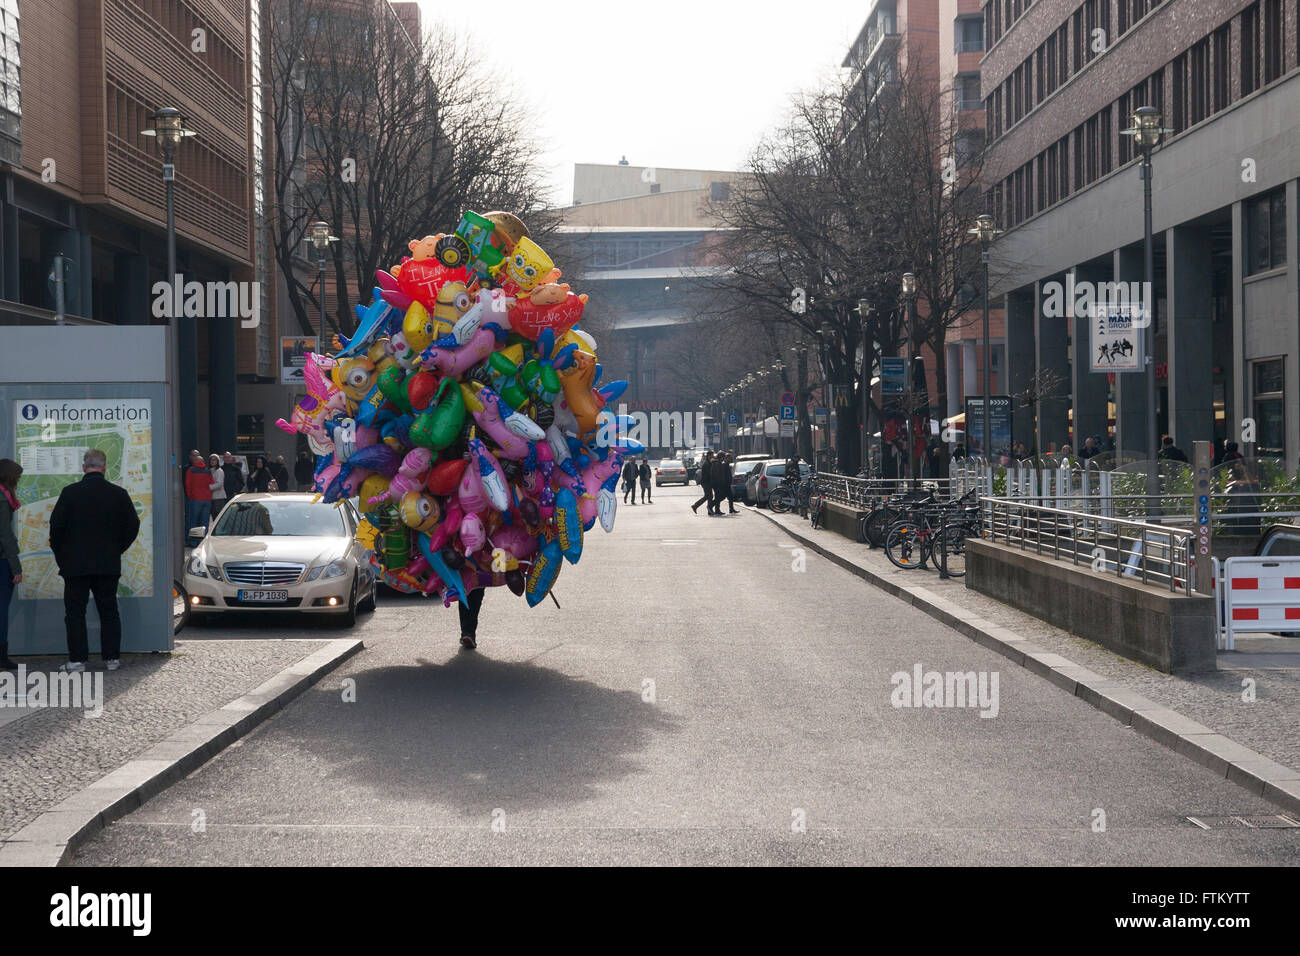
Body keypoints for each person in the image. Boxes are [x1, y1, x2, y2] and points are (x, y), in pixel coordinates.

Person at [48, 449, 141, 672]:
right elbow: (133, 525)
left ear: (84, 467)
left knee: (75, 613)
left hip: (75, 566)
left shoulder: (69, 493)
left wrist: (63, 558)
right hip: (107, 564)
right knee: (109, 610)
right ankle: (112, 658)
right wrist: (117, 549)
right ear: (105, 467)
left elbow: (56, 529)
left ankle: (78, 660)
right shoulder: (118, 493)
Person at [0, 458, 23, 671]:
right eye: (17, 478)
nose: (18, 482)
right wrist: (16, 568)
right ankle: (1, 657)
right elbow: (5, 536)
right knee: (1, 610)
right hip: (2, 562)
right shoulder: (2, 499)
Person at [183, 450, 218, 546]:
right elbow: (211, 485)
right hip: (206, 500)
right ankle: (202, 542)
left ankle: (193, 542)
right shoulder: (208, 471)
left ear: (195, 461)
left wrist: (190, 496)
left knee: (193, 521)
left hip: (195, 499)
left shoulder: (190, 470)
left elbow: (188, 485)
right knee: (204, 521)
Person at [691, 450, 714, 514]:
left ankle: (696, 506)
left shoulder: (708, 462)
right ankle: (696, 506)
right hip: (706, 482)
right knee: (709, 496)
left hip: (707, 482)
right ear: (709, 455)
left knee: (708, 496)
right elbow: (708, 474)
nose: (713, 456)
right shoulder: (706, 463)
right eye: (712, 455)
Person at [208, 454, 228, 524]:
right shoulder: (210, 470)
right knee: (214, 517)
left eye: (214, 460)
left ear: (218, 461)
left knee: (218, 517)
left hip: (219, 497)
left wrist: (208, 487)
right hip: (213, 497)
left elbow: (219, 484)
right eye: (211, 460)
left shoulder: (219, 471)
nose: (212, 461)